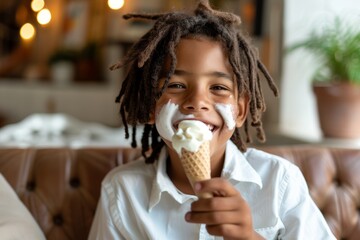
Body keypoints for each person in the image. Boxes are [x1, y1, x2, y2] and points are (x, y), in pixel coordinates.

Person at [89, 1, 336, 239]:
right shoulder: (122, 191)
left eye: (218, 87)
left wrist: (249, 238)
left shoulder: (280, 182)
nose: (197, 101)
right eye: (175, 85)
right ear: (152, 108)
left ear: (240, 112)